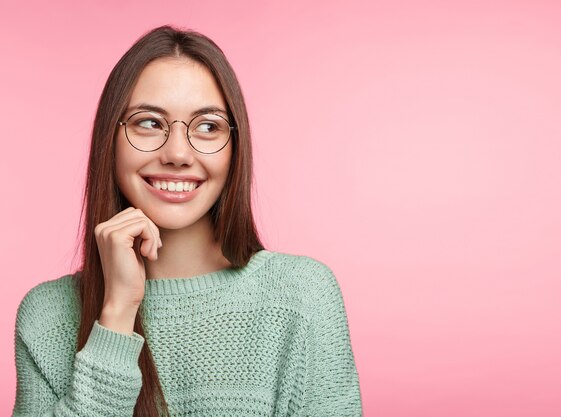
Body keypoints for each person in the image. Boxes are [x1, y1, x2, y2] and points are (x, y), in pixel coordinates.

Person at [12, 24, 362, 417]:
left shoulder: (302, 298)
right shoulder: (46, 317)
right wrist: (116, 314)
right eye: (149, 122)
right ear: (109, 141)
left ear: (235, 147)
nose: (177, 153)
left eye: (208, 126)